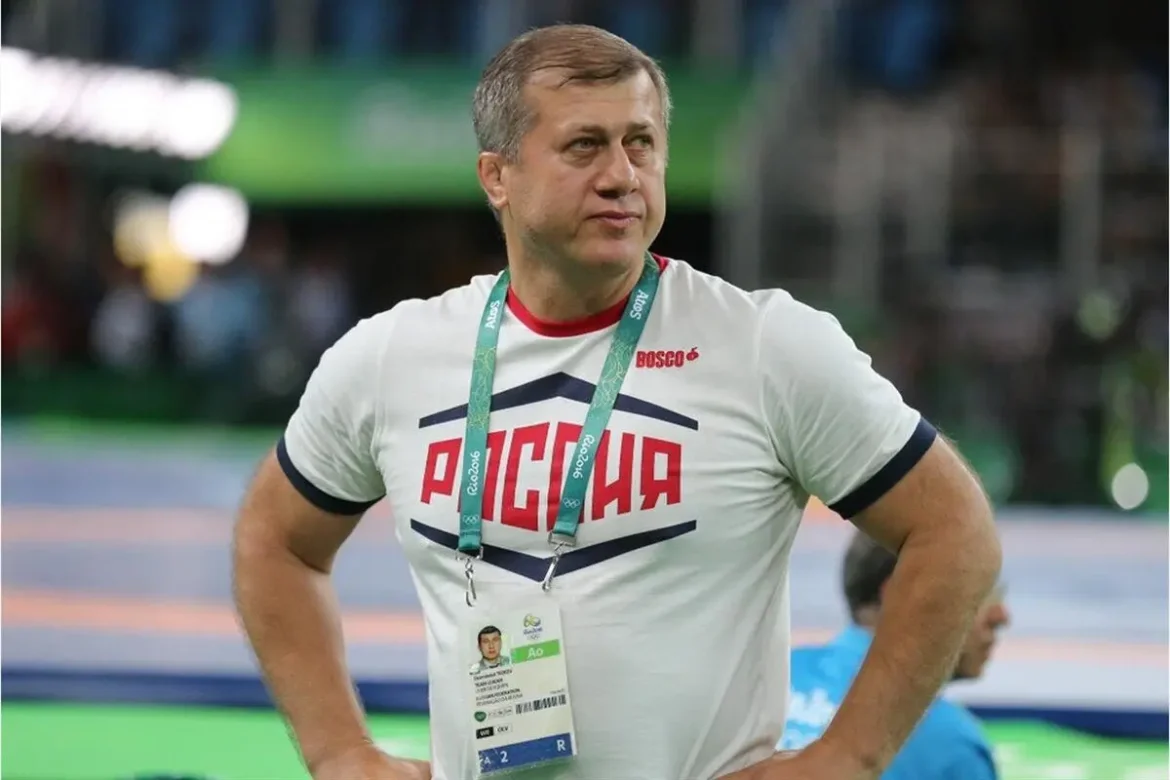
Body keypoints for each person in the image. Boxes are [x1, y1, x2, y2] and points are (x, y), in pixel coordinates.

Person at [231, 23, 1002, 780]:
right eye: (583, 146)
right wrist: (338, 752)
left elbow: (953, 527)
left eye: (641, 143)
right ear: (497, 177)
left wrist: (848, 758)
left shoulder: (765, 346)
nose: (621, 176)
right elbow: (274, 539)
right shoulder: (391, 357)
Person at [781, 532, 1010, 779]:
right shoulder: (952, 744)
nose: (1001, 616)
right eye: (979, 592)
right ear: (903, 592)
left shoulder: (771, 679)